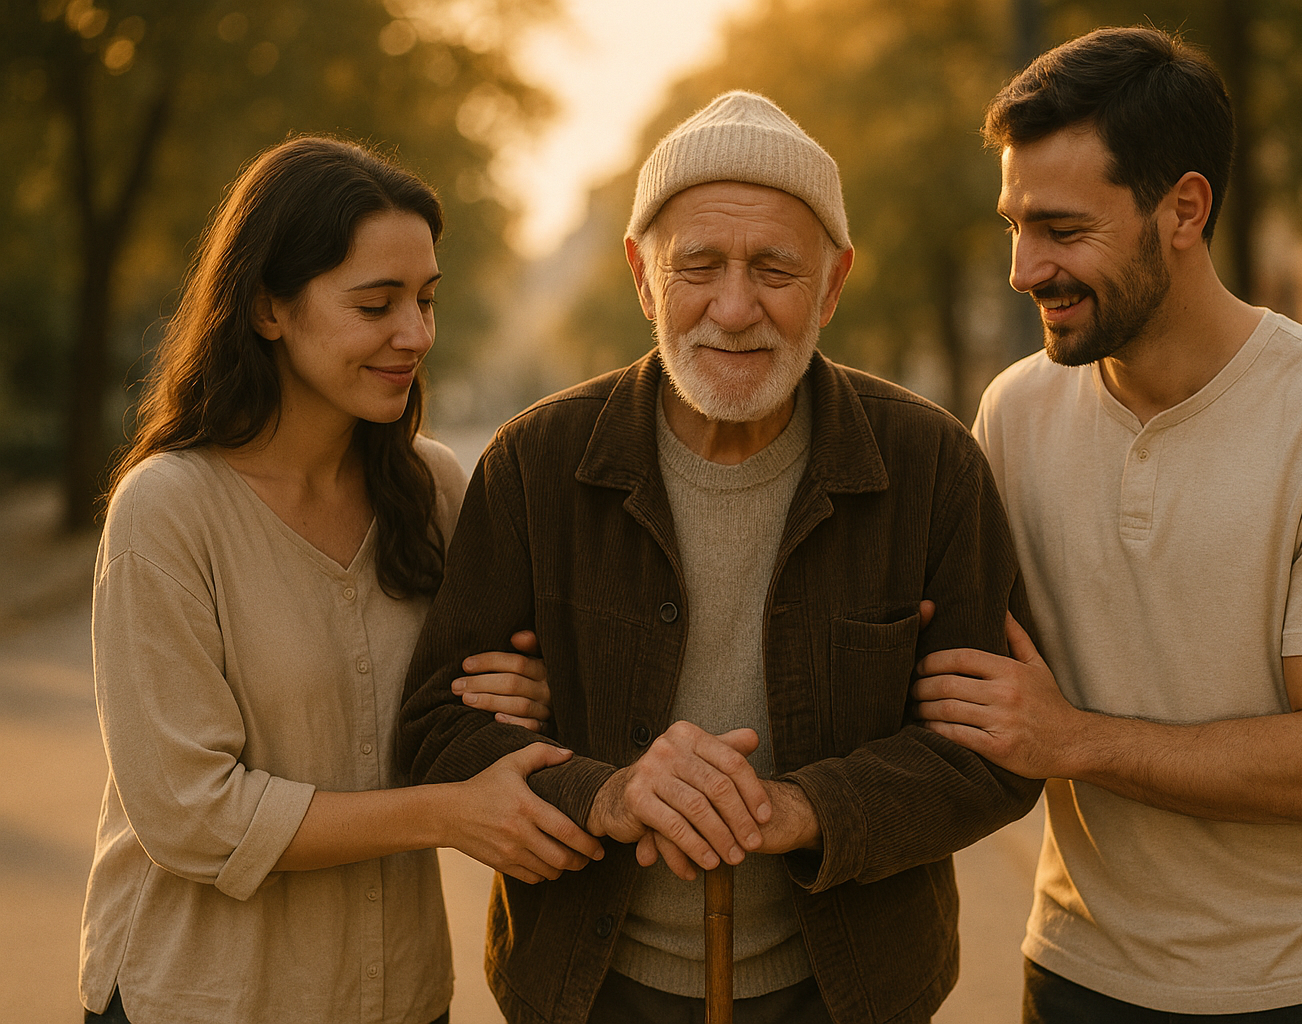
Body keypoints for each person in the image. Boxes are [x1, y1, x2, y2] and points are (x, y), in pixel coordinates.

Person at [397, 91, 1042, 1024]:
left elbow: (991, 759)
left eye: (775, 269)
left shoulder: (931, 466)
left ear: (832, 282)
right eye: (698, 265)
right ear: (642, 277)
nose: (734, 309)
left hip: (853, 994)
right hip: (586, 987)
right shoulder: (535, 464)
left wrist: (804, 809)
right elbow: (434, 731)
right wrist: (606, 793)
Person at [910, 27, 1302, 1023]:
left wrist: (1074, 738)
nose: (1026, 269)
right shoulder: (1013, 413)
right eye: (1014, 226)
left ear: (1183, 210)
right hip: (1076, 974)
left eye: (1063, 230)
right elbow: (930, 659)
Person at [80, 136, 603, 1024]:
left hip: (395, 995)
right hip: (200, 998)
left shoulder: (434, 488)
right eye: (377, 304)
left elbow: (471, 705)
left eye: (426, 300)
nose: (416, 335)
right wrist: (446, 813)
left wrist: (527, 691)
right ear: (267, 308)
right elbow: (189, 812)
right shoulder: (167, 509)